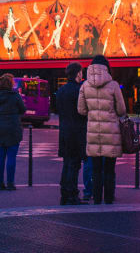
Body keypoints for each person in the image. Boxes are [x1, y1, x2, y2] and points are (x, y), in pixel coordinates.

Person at [78, 55, 126, 205]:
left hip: (93, 132)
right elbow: (122, 110)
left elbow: (81, 110)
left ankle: (97, 199)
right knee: (110, 170)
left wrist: (93, 113)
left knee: (96, 169)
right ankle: (109, 198)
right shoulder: (113, 85)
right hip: (111, 132)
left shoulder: (85, 85)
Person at [54, 62, 87, 205]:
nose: (82, 75)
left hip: (64, 130)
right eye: (81, 72)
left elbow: (56, 110)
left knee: (67, 163)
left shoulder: (61, 91)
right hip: (77, 131)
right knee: (74, 164)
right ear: (78, 73)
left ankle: (64, 194)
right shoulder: (79, 90)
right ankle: (72, 195)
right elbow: (83, 112)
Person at [0, 73, 25, 191]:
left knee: (0, 155)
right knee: (11, 156)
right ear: (10, 84)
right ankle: (10, 183)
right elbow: (23, 109)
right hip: (13, 127)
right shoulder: (15, 96)